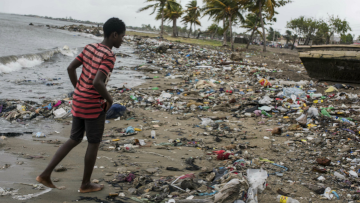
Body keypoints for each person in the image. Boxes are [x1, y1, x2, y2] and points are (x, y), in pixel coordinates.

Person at [36, 17, 126, 193]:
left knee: (74, 138)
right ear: (114, 35)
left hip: (78, 100)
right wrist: (110, 100)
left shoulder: (89, 47)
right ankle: (85, 184)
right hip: (93, 105)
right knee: (93, 142)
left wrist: (78, 89)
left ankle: (45, 174)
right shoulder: (109, 55)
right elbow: (98, 83)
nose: (123, 39)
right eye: (122, 36)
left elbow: (71, 68)